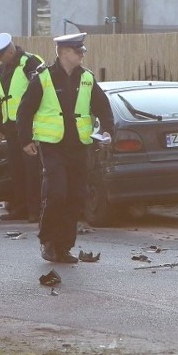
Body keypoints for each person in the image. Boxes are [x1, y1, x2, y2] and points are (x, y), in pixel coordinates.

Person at [16, 33, 114, 263]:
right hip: (53, 147)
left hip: (79, 146)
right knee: (57, 193)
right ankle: (48, 242)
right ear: (63, 53)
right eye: (77, 50)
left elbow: (102, 106)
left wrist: (108, 128)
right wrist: (25, 140)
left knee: (76, 196)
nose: (81, 54)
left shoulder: (87, 78)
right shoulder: (43, 77)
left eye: (82, 51)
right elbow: (25, 110)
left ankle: (64, 247)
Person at [0, 33, 45, 222]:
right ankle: (20, 207)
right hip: (11, 126)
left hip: (31, 125)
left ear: (11, 51)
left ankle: (36, 210)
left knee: (33, 170)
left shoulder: (31, 62)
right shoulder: (1, 70)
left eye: (1, 55)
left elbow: (43, 92)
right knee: (16, 169)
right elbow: (1, 101)